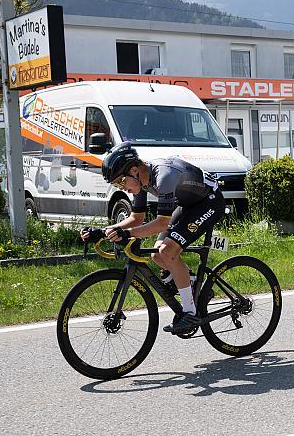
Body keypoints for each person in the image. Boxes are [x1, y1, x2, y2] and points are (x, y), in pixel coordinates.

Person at [81, 142, 225, 334]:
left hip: (209, 203)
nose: (122, 188)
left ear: (133, 170)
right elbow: (136, 218)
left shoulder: (164, 176)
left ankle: (190, 313)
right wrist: (105, 230)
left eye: (120, 182)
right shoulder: (140, 181)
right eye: (117, 185)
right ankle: (190, 284)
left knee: (168, 251)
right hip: (187, 205)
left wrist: (127, 234)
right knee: (158, 255)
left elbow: (161, 224)